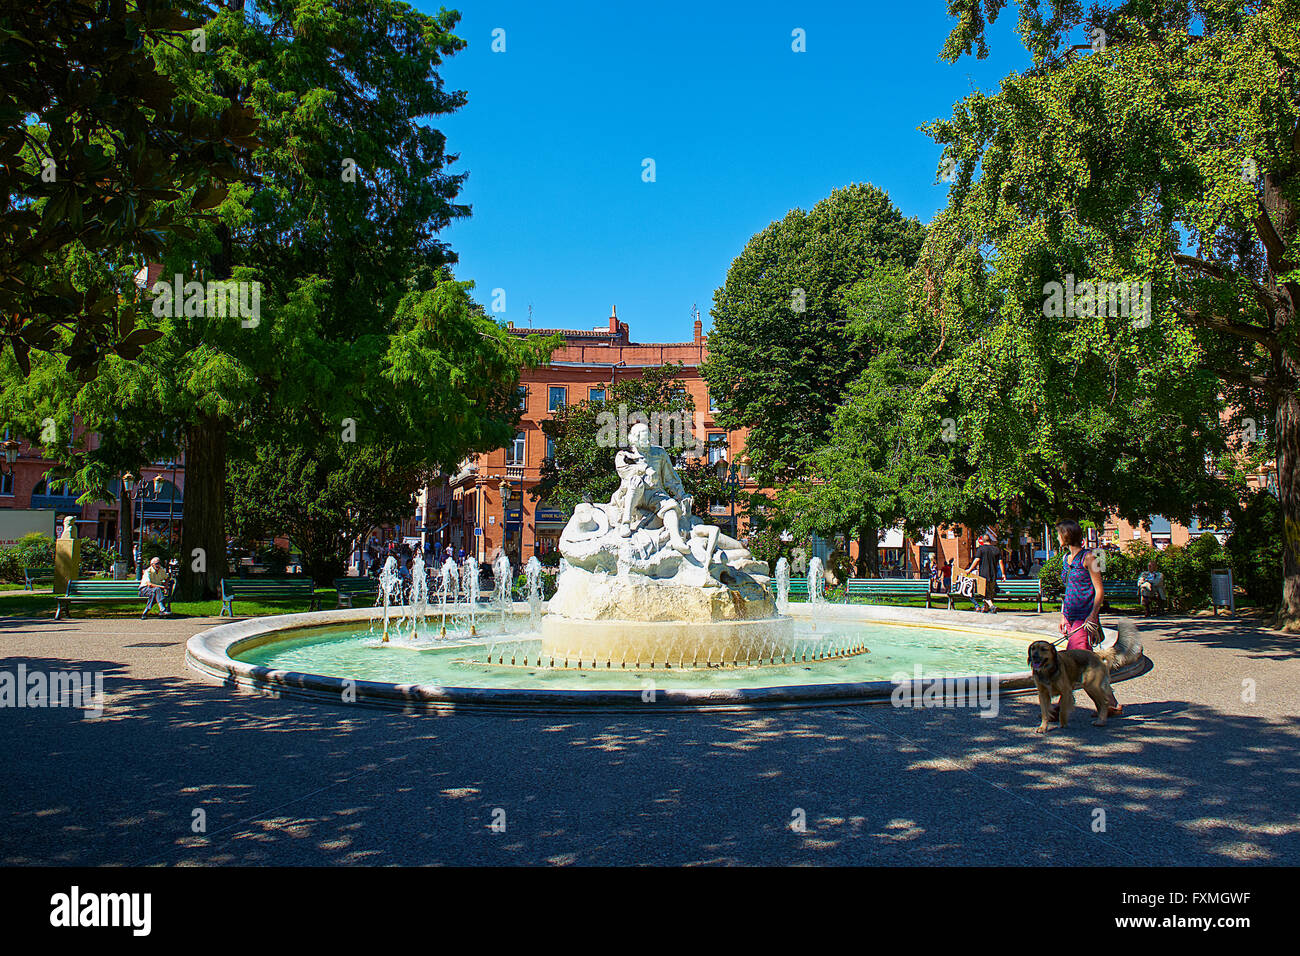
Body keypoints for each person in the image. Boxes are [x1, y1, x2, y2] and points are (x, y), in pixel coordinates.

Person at [1056, 518, 1121, 719]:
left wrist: (1093, 616)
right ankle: (1111, 704)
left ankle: (1062, 706)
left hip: (1085, 619)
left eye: (1059, 534)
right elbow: (1068, 590)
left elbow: (1099, 591)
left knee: (1076, 663)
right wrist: (1063, 615)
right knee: (1086, 664)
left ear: (1066, 536)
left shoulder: (1090, 558)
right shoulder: (1066, 560)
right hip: (1072, 616)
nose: (1057, 537)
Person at [965, 533, 1007, 612]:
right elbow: (1001, 562)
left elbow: (977, 560)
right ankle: (985, 608)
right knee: (989, 593)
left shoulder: (981, 549)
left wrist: (969, 569)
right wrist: (1003, 574)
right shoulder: (996, 549)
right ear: (990, 540)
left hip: (983, 575)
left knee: (985, 594)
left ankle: (992, 606)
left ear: (982, 541)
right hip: (993, 575)